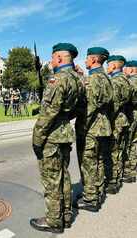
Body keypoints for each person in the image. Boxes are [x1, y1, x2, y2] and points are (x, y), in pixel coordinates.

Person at [30, 43, 80, 233]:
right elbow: (77, 108)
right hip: (65, 133)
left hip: (51, 136)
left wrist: (37, 139)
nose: (51, 61)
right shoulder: (76, 79)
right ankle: (66, 214)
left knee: (51, 180)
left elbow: (48, 113)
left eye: (52, 58)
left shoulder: (57, 80)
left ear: (59, 58)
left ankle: (53, 220)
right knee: (64, 176)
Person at [73, 47, 113, 212]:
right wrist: (82, 76)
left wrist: (81, 126)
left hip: (91, 129)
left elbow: (89, 107)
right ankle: (97, 191)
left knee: (88, 164)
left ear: (95, 59)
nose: (85, 61)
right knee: (98, 162)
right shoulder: (106, 78)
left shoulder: (94, 79)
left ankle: (90, 199)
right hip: (103, 127)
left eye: (87, 58)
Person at [106, 55, 132, 193]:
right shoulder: (125, 80)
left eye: (108, 64)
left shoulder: (116, 81)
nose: (107, 67)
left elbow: (114, 104)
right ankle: (119, 176)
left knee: (113, 151)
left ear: (115, 66)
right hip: (124, 118)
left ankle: (113, 182)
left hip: (116, 120)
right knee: (120, 149)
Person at [123, 60, 137, 183]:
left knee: (127, 142)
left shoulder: (132, 81)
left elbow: (129, 99)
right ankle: (133, 168)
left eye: (126, 68)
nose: (124, 70)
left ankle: (129, 171)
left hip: (132, 113)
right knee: (134, 142)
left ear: (131, 69)